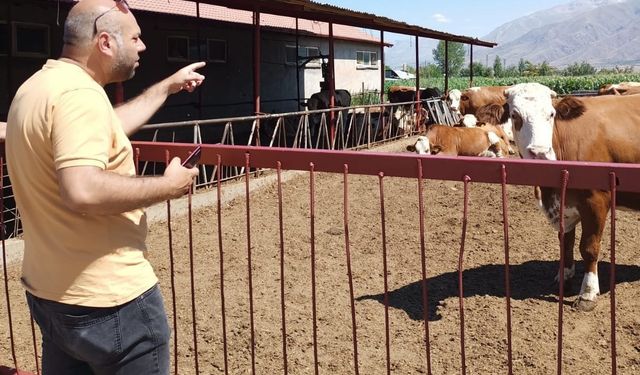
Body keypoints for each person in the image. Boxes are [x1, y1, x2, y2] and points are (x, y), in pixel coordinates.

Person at [5, 0, 204, 373]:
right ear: (106, 43)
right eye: (136, 37)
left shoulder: (40, 87)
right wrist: (167, 185)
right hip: (111, 301)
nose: (143, 46)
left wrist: (165, 88)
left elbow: (95, 130)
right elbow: (82, 189)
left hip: (52, 295)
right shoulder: (81, 97)